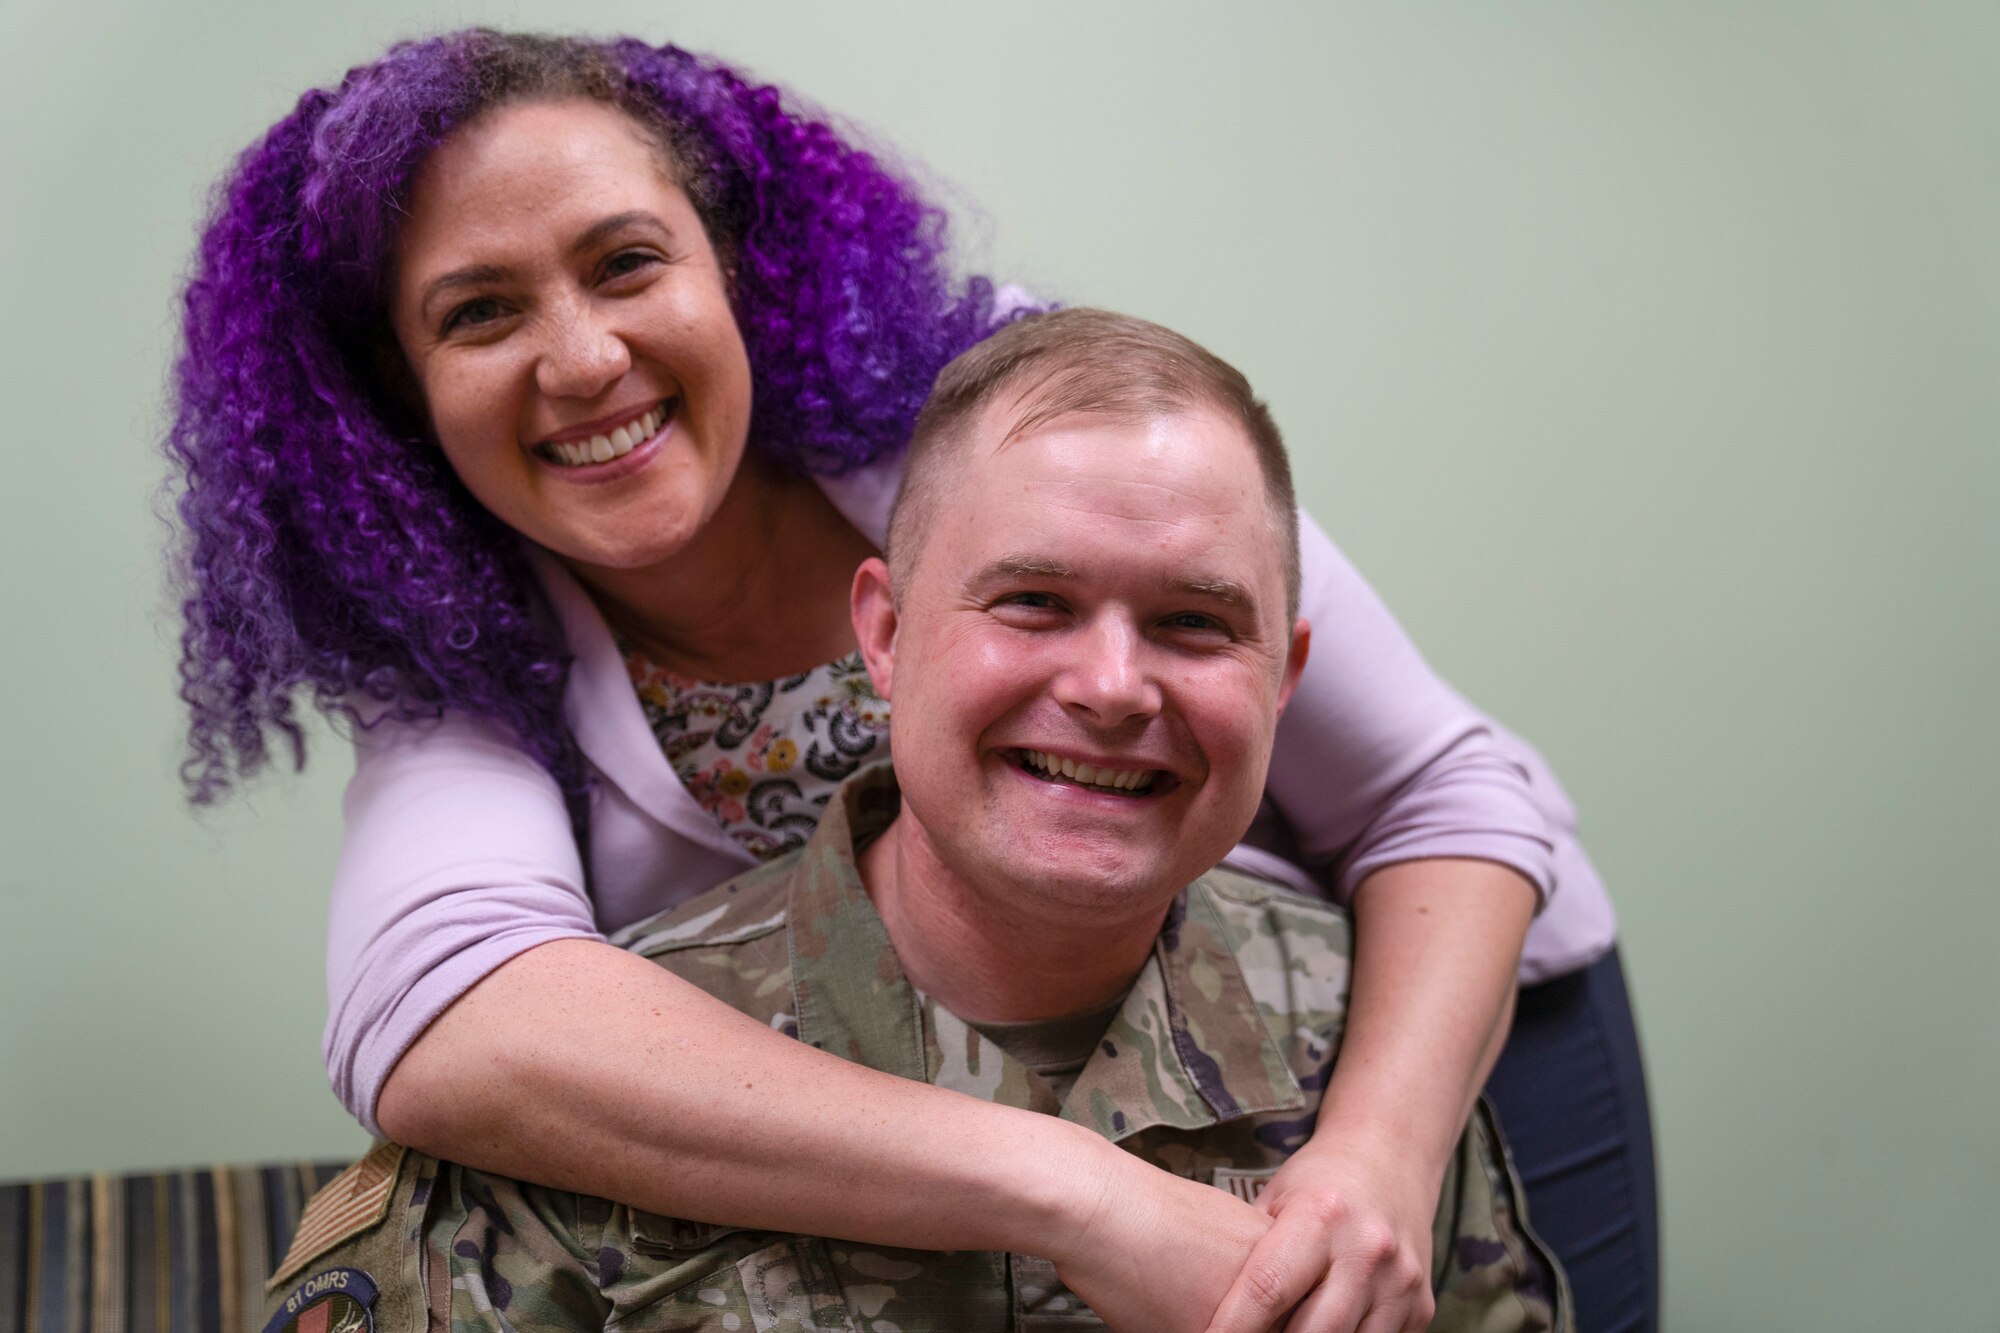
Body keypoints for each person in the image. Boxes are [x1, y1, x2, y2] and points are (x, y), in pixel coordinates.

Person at [169, 28, 1651, 1333]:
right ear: (398, 394)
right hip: (982, 1114)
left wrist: (1379, 1154)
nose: (581, 356)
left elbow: (1442, 791)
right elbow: (440, 1023)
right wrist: (1073, 1190)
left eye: (626, 261)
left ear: (732, 264)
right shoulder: (453, 658)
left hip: (1395, 1024)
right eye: (478, 311)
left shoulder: (1007, 413)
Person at [262, 308, 1568, 1333]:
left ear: (1284, 680)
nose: (1112, 688)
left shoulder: (1374, 1053)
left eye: (1191, 622)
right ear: (883, 634)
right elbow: (425, 1004)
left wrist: (1386, 1147)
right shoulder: (595, 1108)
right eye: (1033, 602)